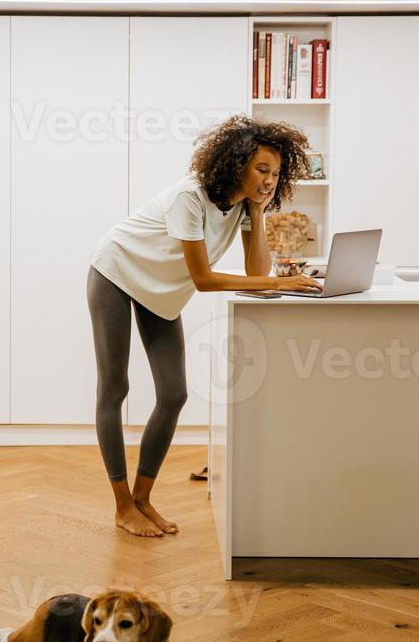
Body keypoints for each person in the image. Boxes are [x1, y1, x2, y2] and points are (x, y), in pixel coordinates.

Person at [86, 114, 323, 538]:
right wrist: (279, 281)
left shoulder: (244, 206)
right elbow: (204, 279)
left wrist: (257, 211)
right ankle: (122, 506)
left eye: (276, 174)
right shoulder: (189, 198)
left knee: (173, 393)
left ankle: (143, 499)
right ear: (237, 165)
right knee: (114, 388)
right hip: (116, 274)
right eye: (261, 170)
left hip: (158, 292)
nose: (269, 181)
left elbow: (255, 271)